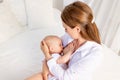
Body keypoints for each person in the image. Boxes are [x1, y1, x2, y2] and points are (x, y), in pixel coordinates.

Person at [26, 1, 103, 80]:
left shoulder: (94, 54)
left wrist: (47, 56)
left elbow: (66, 77)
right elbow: (52, 49)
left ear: (77, 29)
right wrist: (45, 65)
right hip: (55, 72)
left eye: (66, 28)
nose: (65, 31)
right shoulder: (69, 37)